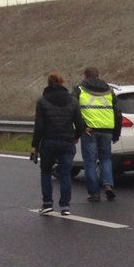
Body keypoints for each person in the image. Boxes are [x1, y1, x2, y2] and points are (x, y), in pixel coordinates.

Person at [30, 71, 85, 216]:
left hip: (48, 142)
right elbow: (80, 124)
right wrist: (76, 136)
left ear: (48, 83)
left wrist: (35, 145)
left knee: (46, 172)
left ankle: (47, 203)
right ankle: (65, 206)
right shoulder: (73, 101)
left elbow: (39, 126)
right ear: (62, 82)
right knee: (65, 174)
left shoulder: (42, 101)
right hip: (67, 142)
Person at [74, 66, 121, 202]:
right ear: (98, 75)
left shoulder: (80, 90)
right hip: (107, 130)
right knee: (105, 159)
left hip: (90, 130)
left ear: (85, 76)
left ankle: (94, 194)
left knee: (90, 162)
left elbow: (74, 110)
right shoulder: (109, 91)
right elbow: (117, 113)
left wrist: (81, 129)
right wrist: (116, 133)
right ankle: (108, 185)